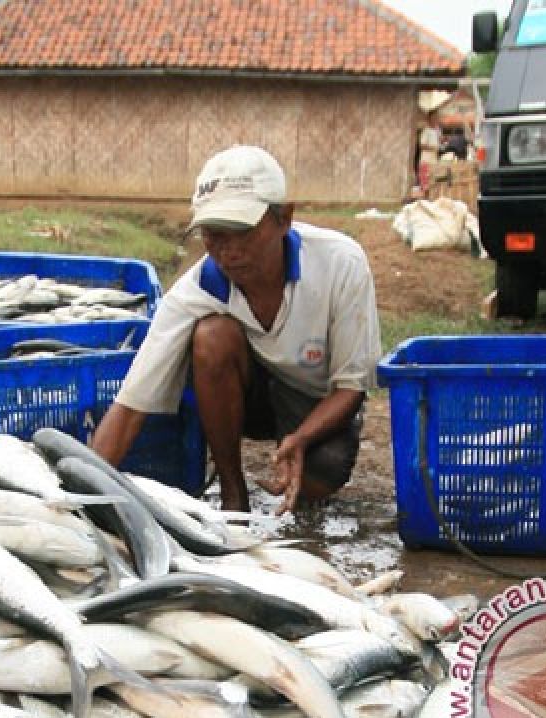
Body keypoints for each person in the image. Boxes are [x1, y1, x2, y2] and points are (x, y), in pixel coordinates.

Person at [91, 144, 382, 514]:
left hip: (316, 400)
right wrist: (84, 495)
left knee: (317, 478)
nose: (228, 251)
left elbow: (352, 385)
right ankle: (233, 493)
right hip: (249, 395)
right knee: (212, 337)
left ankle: (300, 452)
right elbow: (130, 407)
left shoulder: (341, 263)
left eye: (241, 232)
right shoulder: (196, 290)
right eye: (213, 234)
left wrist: (302, 438)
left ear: (284, 218)